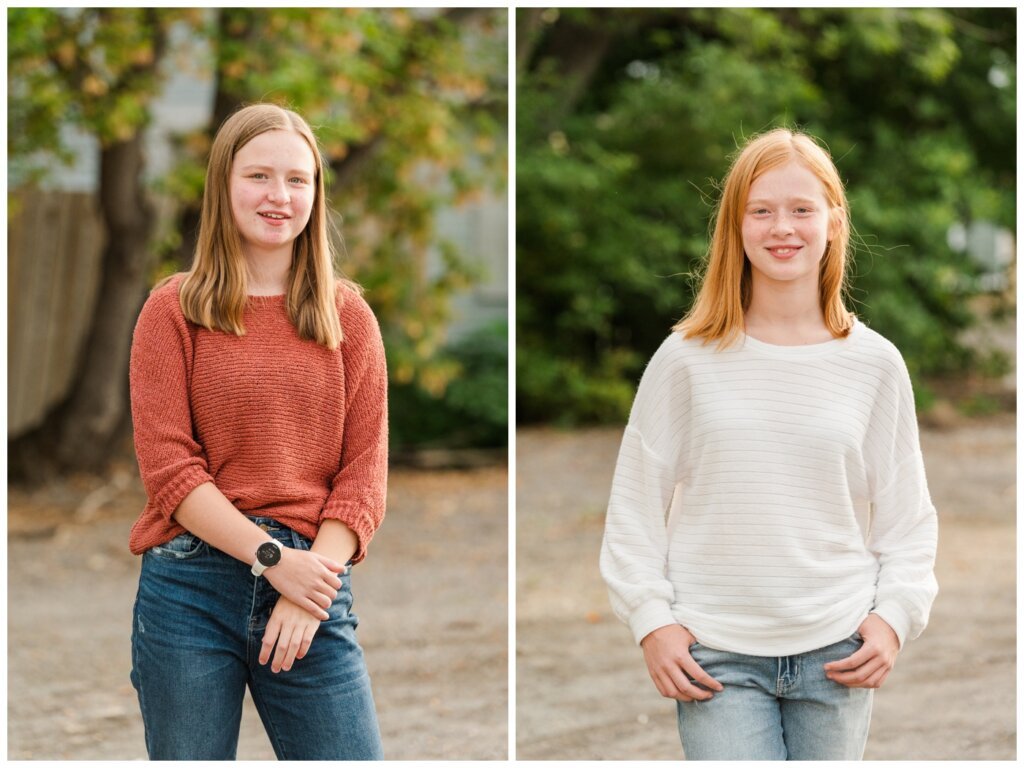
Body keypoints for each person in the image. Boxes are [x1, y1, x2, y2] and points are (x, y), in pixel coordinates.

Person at [599, 128, 938, 760]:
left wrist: (893, 617)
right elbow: (634, 508)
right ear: (736, 226)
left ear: (834, 222)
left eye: (802, 209)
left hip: (837, 651)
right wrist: (653, 623)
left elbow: (908, 518)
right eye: (761, 210)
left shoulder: (875, 363)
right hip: (715, 655)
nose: (782, 227)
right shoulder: (685, 359)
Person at [128, 103, 387, 760]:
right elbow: (171, 471)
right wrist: (272, 561)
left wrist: (308, 586)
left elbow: (363, 477)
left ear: (315, 195)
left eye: (297, 180)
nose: (279, 196)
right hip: (191, 587)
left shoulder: (347, 318)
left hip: (314, 581)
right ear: (224, 186)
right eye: (259, 177)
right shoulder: (172, 311)